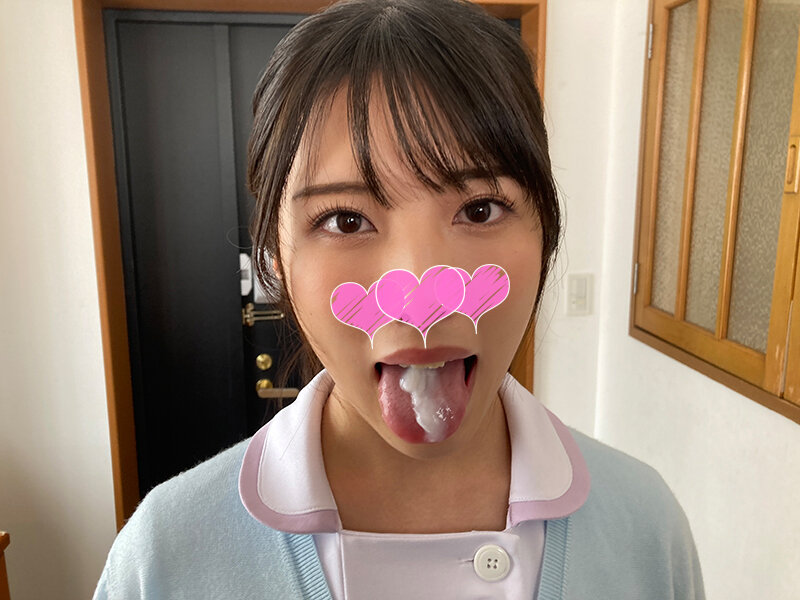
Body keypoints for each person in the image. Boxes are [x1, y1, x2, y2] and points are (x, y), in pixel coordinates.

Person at [92, 0, 706, 598]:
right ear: (275, 259)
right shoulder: (166, 556)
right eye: (345, 220)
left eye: (480, 209)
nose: (420, 295)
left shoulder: (644, 528)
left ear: (546, 232)